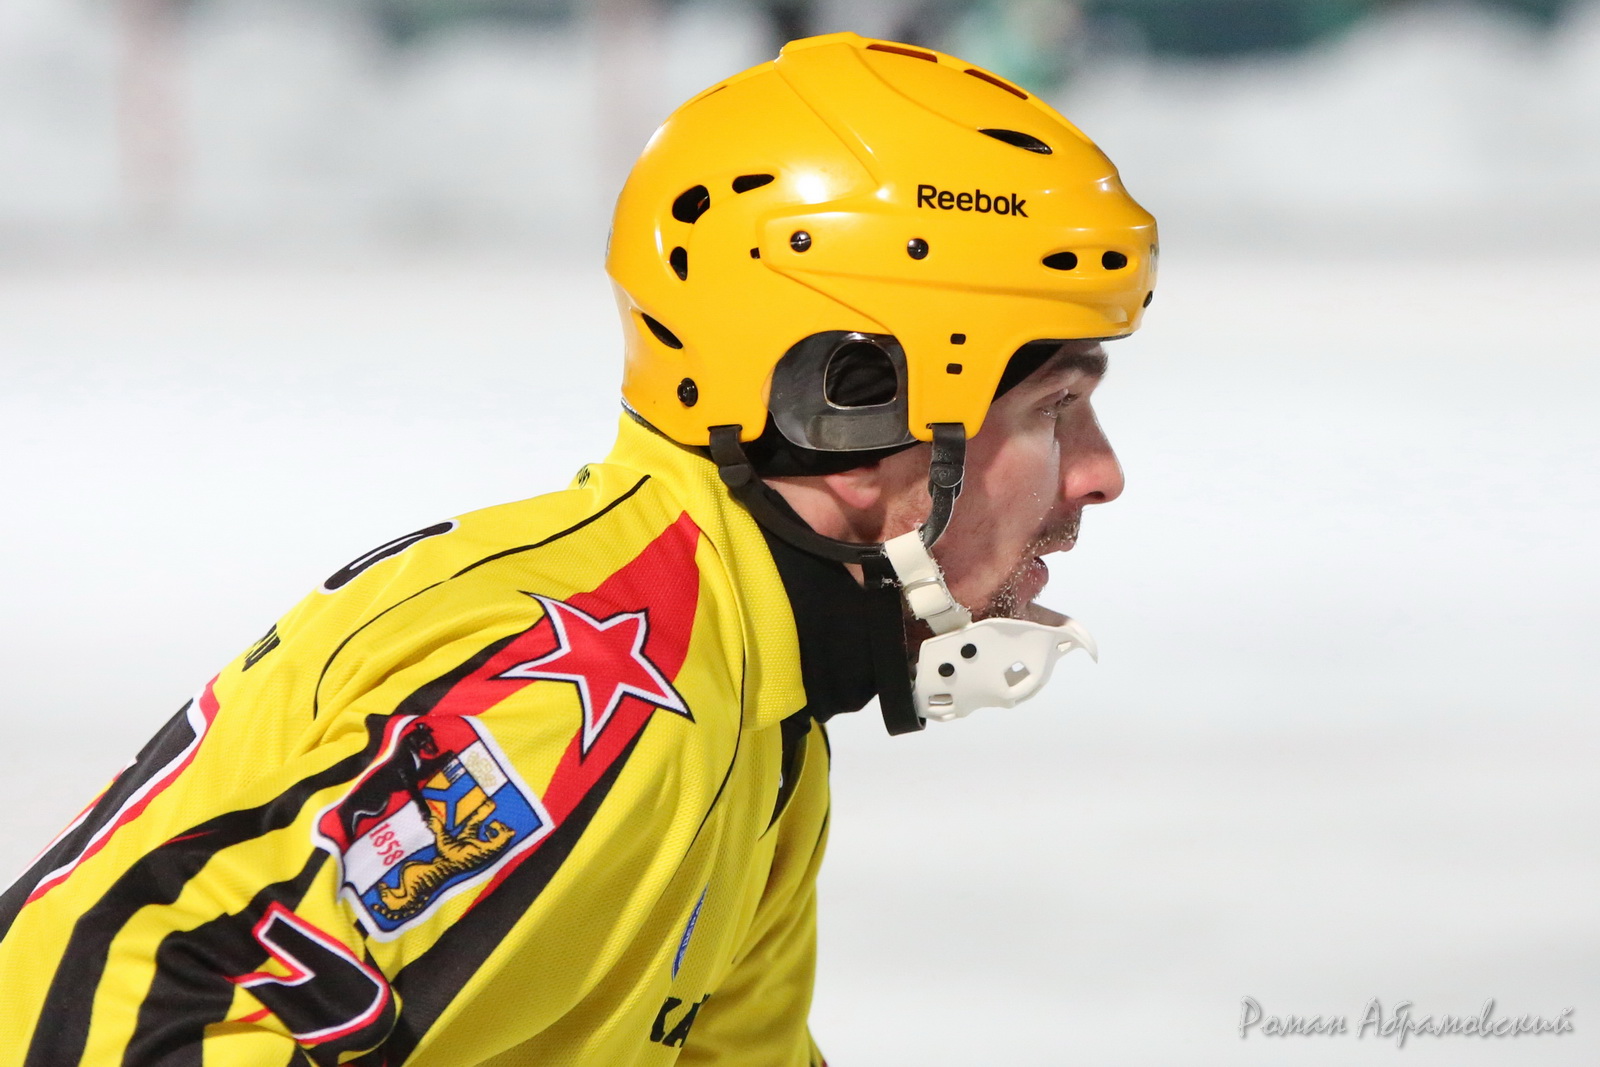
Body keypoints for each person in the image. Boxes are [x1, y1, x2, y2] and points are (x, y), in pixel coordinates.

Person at [0, 31, 1154, 1067]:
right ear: (854, 403)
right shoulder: (601, 694)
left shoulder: (756, 711)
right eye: (1056, 408)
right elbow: (102, 1015)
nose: (1098, 472)